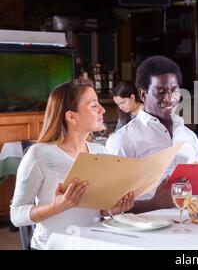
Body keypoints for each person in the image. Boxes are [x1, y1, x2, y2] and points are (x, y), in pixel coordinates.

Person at [10, 79, 134, 250]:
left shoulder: (101, 152)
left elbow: (98, 211)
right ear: (71, 116)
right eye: (93, 105)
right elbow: (16, 215)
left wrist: (112, 209)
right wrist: (55, 207)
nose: (102, 110)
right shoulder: (39, 155)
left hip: (93, 244)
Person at [106, 56, 198, 213]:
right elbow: (108, 208)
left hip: (192, 227)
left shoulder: (189, 136)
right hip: (145, 232)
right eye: (161, 92)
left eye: (174, 90)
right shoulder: (123, 140)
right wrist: (154, 203)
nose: (170, 99)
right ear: (143, 95)